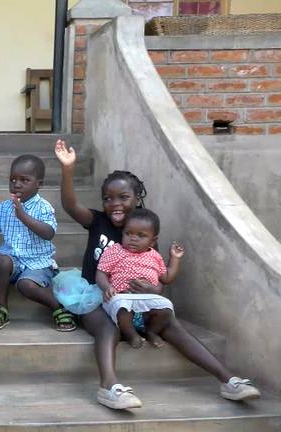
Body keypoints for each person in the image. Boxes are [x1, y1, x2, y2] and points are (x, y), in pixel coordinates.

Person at [54, 139, 261, 409]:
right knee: (107, 327)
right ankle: (109, 386)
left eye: (123, 197)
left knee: (173, 325)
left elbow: (157, 277)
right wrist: (68, 169)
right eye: (108, 198)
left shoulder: (145, 231)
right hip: (100, 297)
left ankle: (228, 380)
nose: (114, 204)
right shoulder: (99, 221)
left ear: (137, 198)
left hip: (139, 302)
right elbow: (70, 206)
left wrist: (153, 292)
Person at [0, 155, 67, 331]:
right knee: (1, 261)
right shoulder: (5, 207)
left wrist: (23, 216)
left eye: (24, 180)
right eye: (13, 179)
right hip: (13, 262)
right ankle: (1, 307)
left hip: (38, 264)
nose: (17, 184)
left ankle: (57, 306)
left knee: (25, 285)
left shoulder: (43, 207)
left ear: (39, 184)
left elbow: (48, 233)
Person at [97, 209, 181, 349]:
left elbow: (166, 278)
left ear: (153, 240)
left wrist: (175, 258)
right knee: (122, 309)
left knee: (166, 309)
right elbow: (101, 273)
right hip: (122, 298)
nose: (133, 238)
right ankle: (130, 334)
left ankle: (151, 331)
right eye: (128, 233)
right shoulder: (115, 251)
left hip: (148, 302)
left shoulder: (155, 256)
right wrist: (106, 287)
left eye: (141, 235)